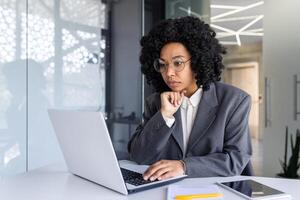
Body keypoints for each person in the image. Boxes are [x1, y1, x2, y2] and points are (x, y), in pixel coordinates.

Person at [128, 16, 253, 181]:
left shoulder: (234, 101)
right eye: (163, 64)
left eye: (178, 63)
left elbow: (235, 160)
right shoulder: (156, 102)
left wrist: (183, 166)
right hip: (165, 190)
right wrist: (165, 115)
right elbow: (139, 155)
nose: (169, 73)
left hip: (216, 191)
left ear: (198, 61)